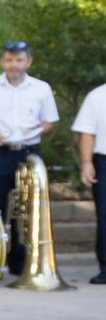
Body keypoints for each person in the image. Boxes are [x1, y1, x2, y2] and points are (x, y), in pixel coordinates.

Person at [0, 42, 59, 274]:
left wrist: (35, 132)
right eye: (9, 60)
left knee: (26, 210)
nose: (14, 65)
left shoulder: (41, 88)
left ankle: (19, 264)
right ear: (2, 62)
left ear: (28, 62)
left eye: (19, 60)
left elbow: (50, 122)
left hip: (29, 152)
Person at [72, 78, 106, 285]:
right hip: (104, 160)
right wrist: (86, 162)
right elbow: (87, 132)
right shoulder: (97, 95)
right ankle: (105, 267)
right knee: (104, 216)